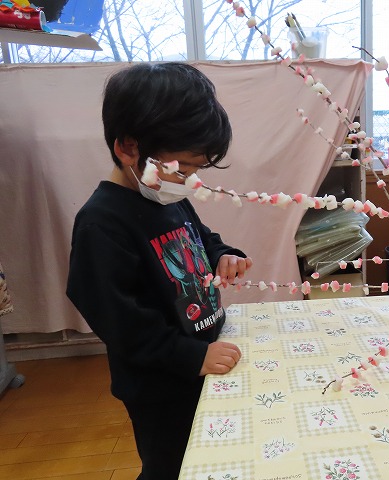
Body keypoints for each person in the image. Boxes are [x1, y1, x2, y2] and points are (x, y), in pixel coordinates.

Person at [66, 62, 253, 480]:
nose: (188, 181)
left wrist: (224, 254)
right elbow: (118, 320)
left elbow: (201, 239)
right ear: (128, 148)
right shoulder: (102, 223)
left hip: (201, 356)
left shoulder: (167, 197)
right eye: (182, 169)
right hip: (161, 384)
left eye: (195, 171)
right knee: (171, 466)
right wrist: (191, 356)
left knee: (213, 457)